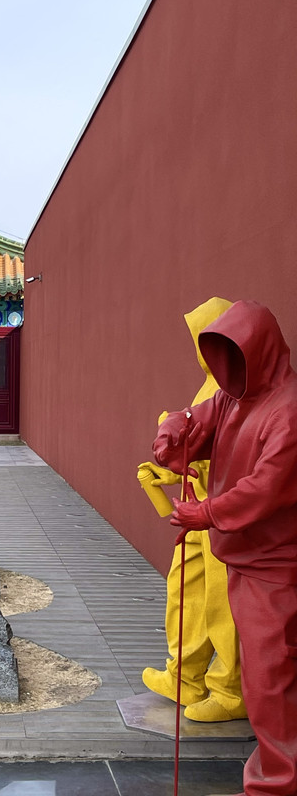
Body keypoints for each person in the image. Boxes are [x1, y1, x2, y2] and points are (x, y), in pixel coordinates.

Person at [154, 301, 297, 796]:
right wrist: (175, 433)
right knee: (268, 679)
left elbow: (268, 487)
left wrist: (206, 512)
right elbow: (195, 419)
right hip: (243, 556)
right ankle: (267, 785)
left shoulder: (287, 409)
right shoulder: (233, 398)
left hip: (276, 564)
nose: (223, 368)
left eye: (232, 354)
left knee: (273, 680)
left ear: (258, 351)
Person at [139, 297, 246, 722]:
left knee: (222, 603)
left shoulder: (239, 391)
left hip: (222, 513)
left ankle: (230, 690)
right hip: (196, 509)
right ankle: (184, 675)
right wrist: (170, 469)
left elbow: (238, 460)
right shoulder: (210, 388)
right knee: (184, 590)